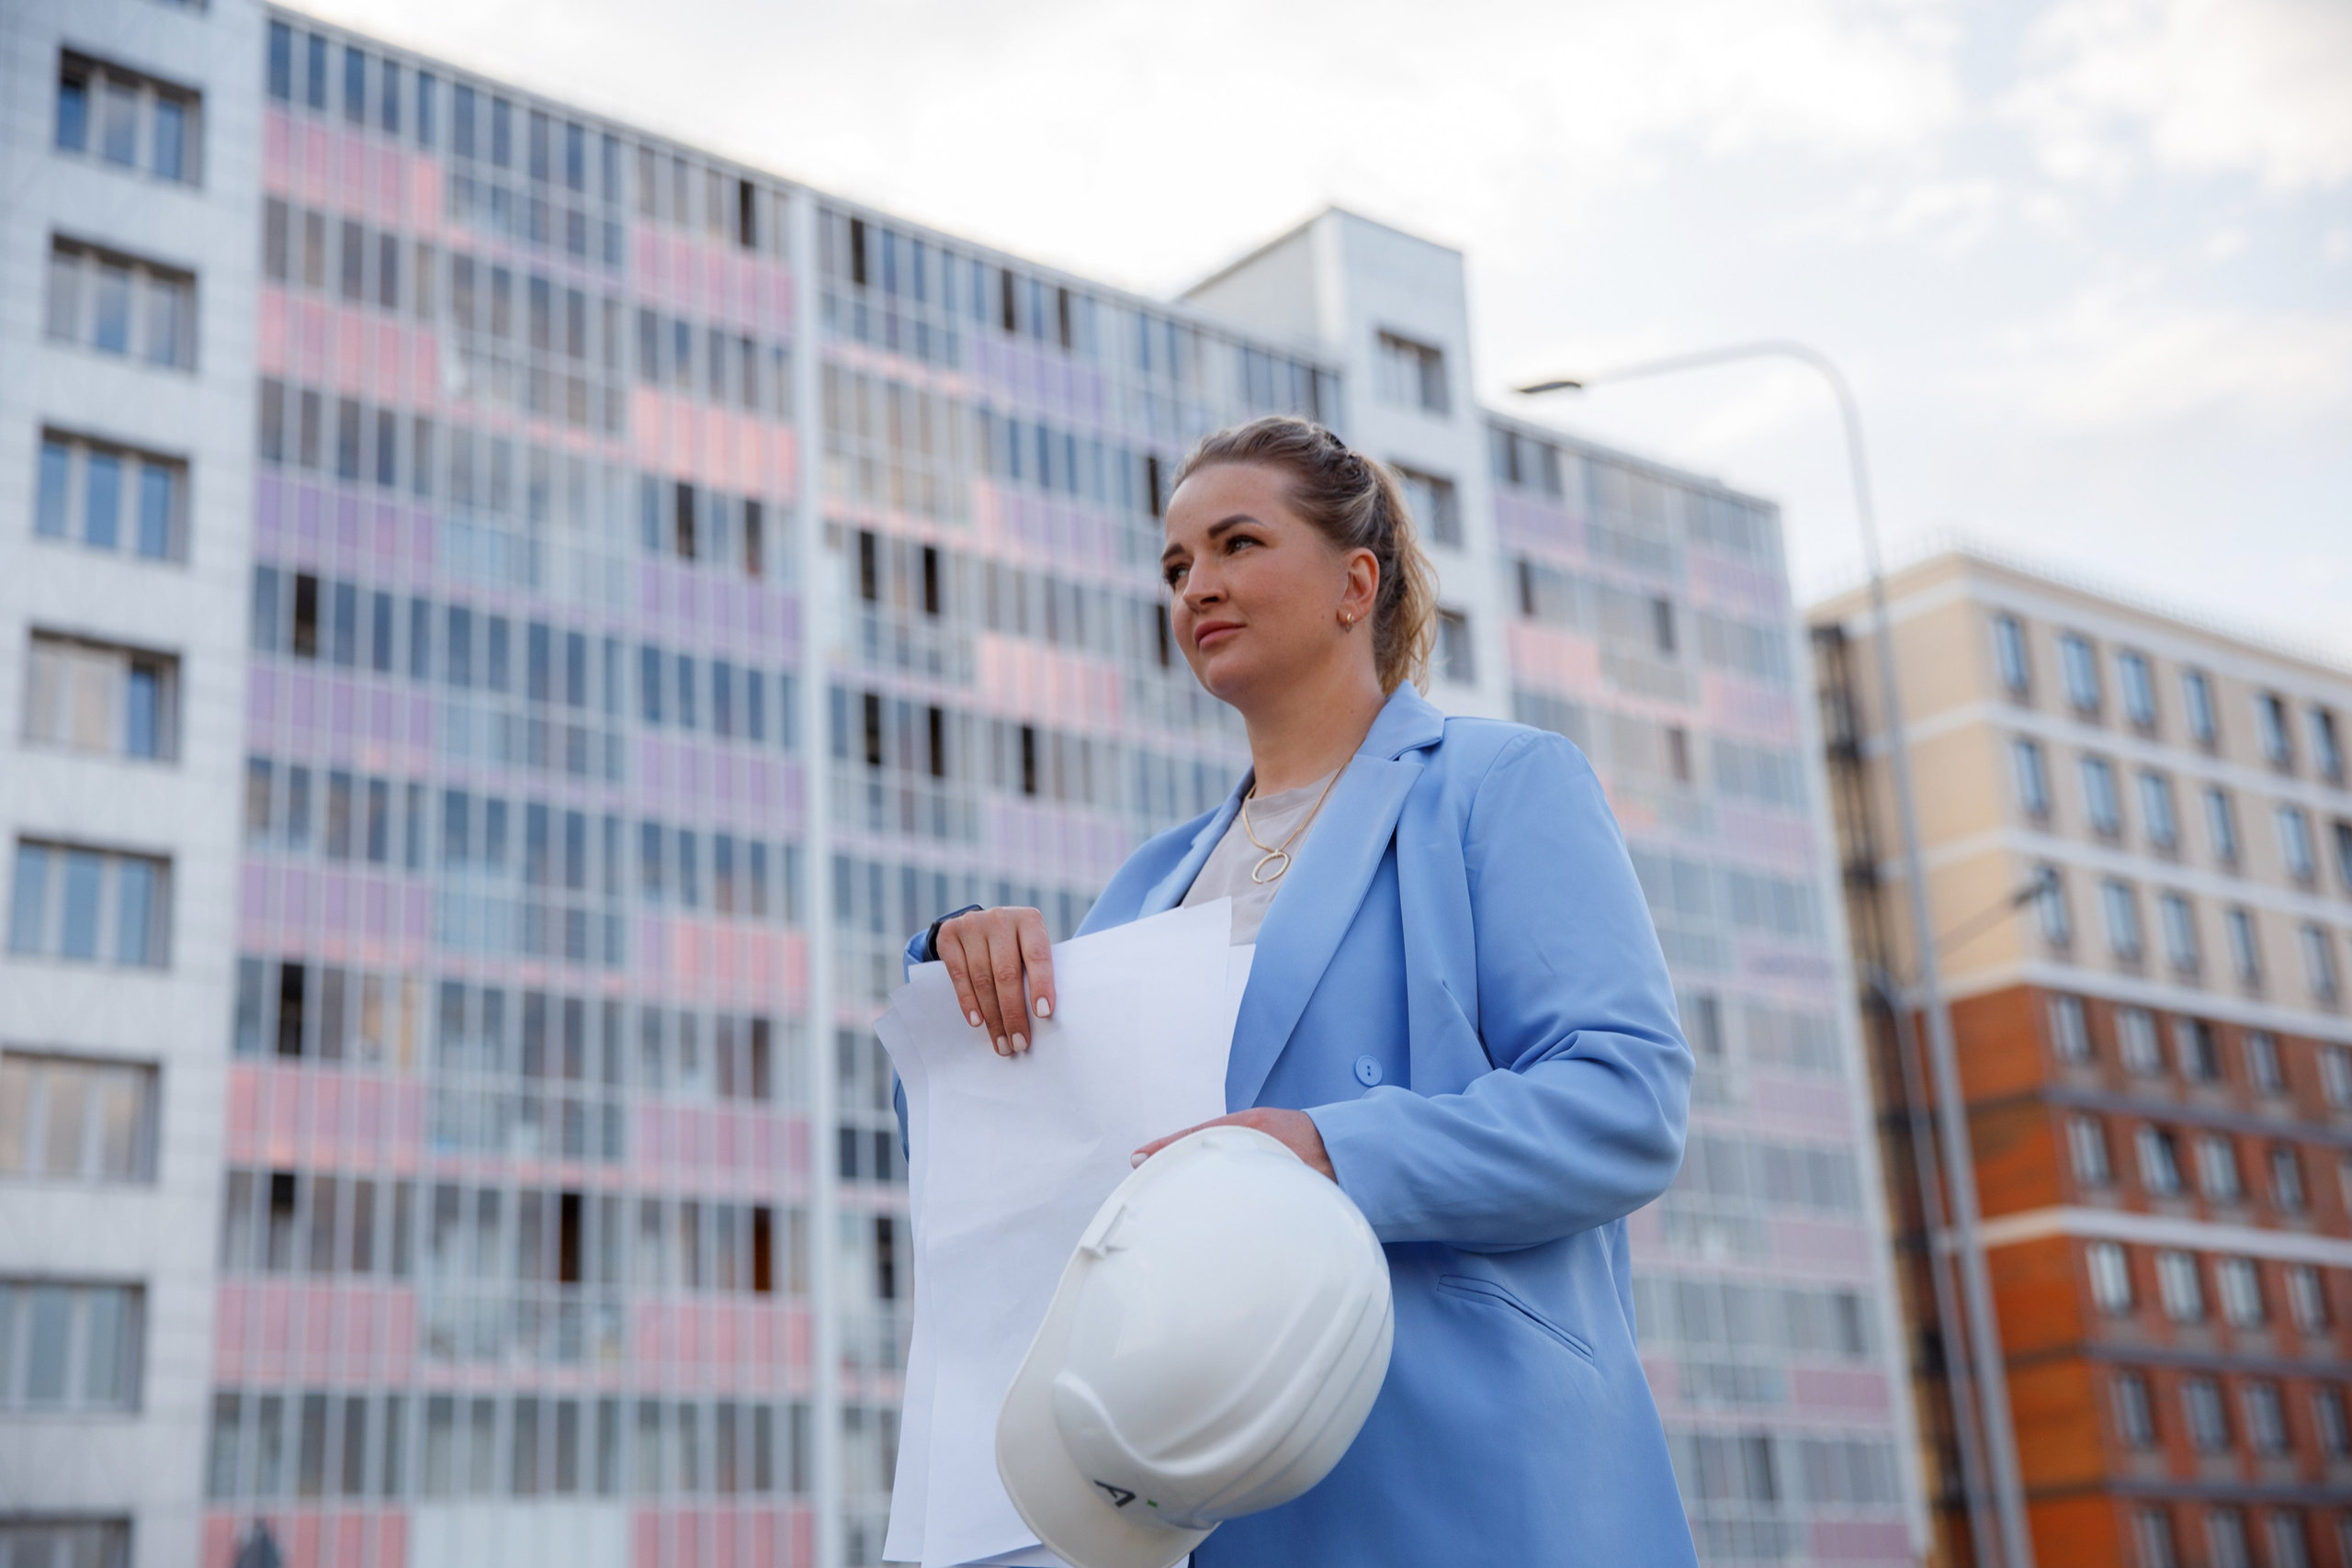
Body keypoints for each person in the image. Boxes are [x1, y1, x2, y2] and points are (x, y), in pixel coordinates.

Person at [906, 415, 1697, 1564]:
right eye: (1176, 566)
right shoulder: (1144, 885)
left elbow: (1624, 1105)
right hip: (1213, 1481)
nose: (1196, 587)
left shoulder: (1498, 785)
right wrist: (964, 981)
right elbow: (1034, 1179)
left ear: (1353, 582)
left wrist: (1328, 1151)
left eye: (1236, 545)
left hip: (1461, 1467)